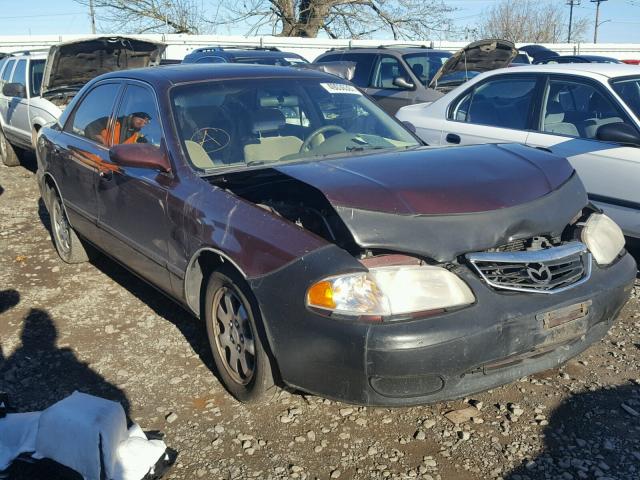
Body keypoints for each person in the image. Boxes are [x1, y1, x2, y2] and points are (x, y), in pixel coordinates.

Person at [84, 112, 151, 146]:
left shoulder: (137, 137)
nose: (142, 124)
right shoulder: (110, 121)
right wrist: (105, 143)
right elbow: (89, 129)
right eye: (140, 120)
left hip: (113, 168)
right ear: (131, 116)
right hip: (88, 162)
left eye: (145, 123)